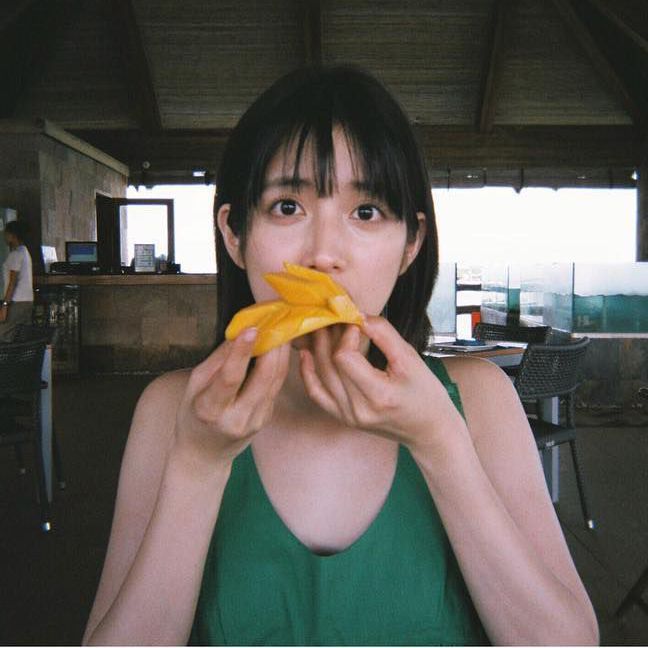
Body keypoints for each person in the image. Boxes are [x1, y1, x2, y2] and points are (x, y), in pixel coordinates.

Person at [83, 66, 598, 646]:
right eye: (287, 207)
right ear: (234, 234)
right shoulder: (173, 409)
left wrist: (440, 443)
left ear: (411, 244)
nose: (324, 254)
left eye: (366, 212)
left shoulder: (480, 399)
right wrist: (197, 466)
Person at [0, 220, 34, 342]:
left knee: (3, 334)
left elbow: (12, 282)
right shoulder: (25, 252)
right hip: (27, 301)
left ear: (12, 235)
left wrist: (5, 305)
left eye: (6, 233)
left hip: (16, 301)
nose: (4, 236)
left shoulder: (15, 254)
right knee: (20, 337)